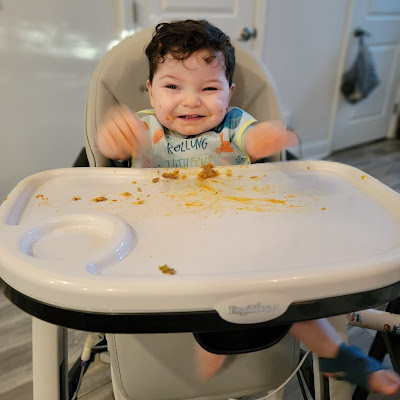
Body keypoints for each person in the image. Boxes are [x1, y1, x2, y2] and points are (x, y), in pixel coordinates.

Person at [97, 20, 400, 395]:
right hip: (163, 241)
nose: (190, 100)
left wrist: (265, 139)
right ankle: (217, 334)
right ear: (150, 91)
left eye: (209, 88)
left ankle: (337, 356)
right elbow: (112, 153)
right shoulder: (143, 130)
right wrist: (113, 137)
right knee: (206, 294)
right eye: (172, 87)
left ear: (229, 93)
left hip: (238, 237)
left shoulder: (234, 125)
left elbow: (254, 138)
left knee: (288, 296)